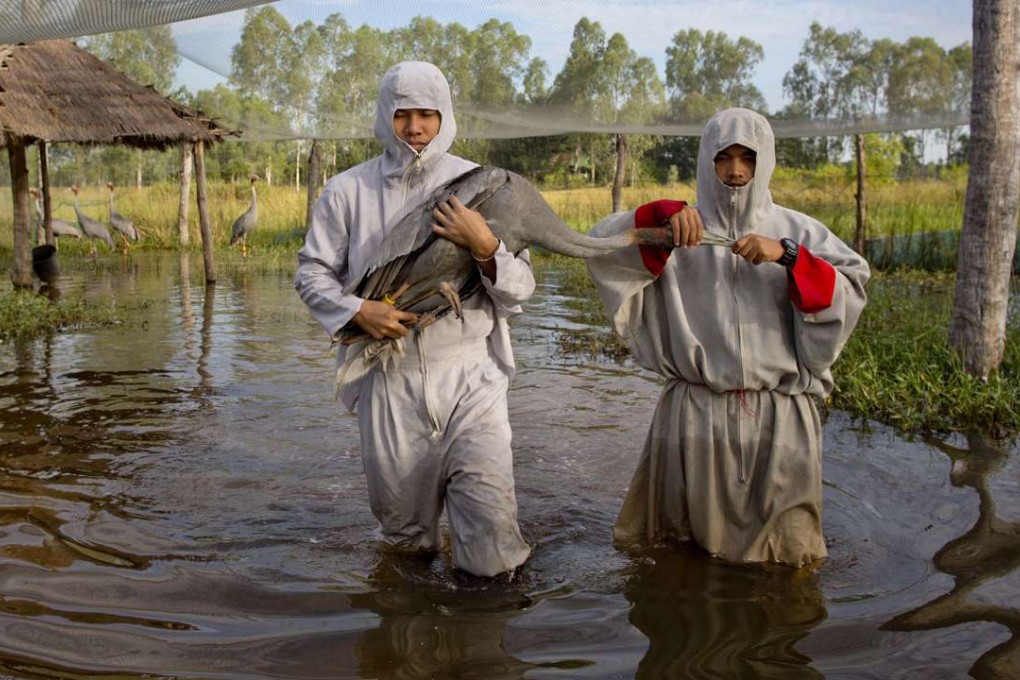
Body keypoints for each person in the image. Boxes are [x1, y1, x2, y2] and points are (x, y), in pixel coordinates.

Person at [586, 107, 870, 567]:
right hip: (693, 417)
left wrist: (791, 258)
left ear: (765, 162)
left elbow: (851, 284)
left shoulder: (796, 231)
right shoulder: (680, 228)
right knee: (678, 556)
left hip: (778, 418)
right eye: (724, 157)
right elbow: (599, 248)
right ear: (706, 162)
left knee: (790, 557)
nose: (736, 171)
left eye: (747, 158)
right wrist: (657, 223)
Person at [294, 61, 533, 578]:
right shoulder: (347, 192)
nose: (416, 127)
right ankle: (407, 644)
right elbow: (311, 274)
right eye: (404, 114)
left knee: (492, 539)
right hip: (388, 380)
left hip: (472, 376)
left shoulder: (483, 187)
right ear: (386, 117)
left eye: (428, 114)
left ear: (445, 116)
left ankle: (484, 646)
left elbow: (520, 291)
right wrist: (361, 310)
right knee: (406, 545)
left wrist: (486, 246)